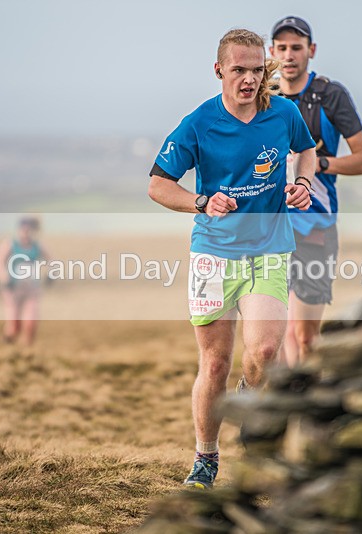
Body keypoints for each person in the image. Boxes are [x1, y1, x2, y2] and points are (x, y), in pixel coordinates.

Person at [147, 28, 316, 489]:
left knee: (263, 351)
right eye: (238, 69)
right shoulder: (198, 123)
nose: (248, 78)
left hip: (269, 248)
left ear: (266, 70)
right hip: (213, 253)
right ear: (219, 69)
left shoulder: (282, 112)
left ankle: (249, 395)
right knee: (215, 363)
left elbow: (306, 152)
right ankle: (206, 458)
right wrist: (202, 202)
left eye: (256, 69)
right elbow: (158, 185)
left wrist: (302, 184)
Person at [269, 16, 362, 366]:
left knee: (305, 334)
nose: (288, 55)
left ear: (310, 51)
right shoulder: (262, 96)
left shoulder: (330, 95)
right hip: (269, 228)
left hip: (315, 225)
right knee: (275, 333)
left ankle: (307, 404)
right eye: (281, 48)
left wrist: (319, 164)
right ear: (271, 52)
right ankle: (286, 401)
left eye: (296, 48)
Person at [0, 216, 50, 346]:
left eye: (28, 229)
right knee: (14, 326)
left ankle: (28, 352)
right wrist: (5, 277)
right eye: (23, 229)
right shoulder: (11, 245)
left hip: (31, 289)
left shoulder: (37, 246)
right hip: (13, 289)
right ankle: (7, 345)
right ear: (19, 230)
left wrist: (51, 274)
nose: (25, 232)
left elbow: (51, 261)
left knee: (31, 323)